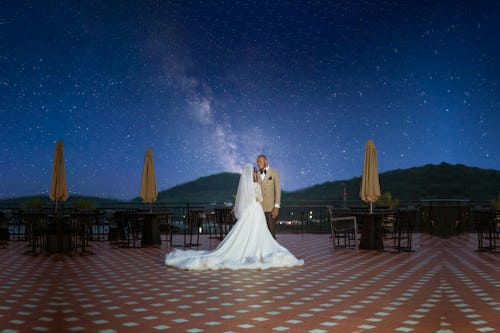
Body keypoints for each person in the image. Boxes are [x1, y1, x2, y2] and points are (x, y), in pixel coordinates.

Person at [165, 163, 304, 270]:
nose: (256, 173)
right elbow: (260, 199)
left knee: (246, 231)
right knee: (258, 232)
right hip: (256, 211)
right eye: (255, 172)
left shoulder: (245, 187)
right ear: (252, 174)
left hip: (249, 212)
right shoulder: (255, 185)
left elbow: (243, 201)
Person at [256, 155, 280, 238]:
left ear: (265, 161)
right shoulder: (256, 174)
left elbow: (277, 191)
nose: (258, 163)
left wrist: (276, 207)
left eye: (260, 161)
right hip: (259, 208)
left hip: (270, 208)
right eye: (257, 162)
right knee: (260, 234)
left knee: (271, 232)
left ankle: (272, 250)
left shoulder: (274, 173)